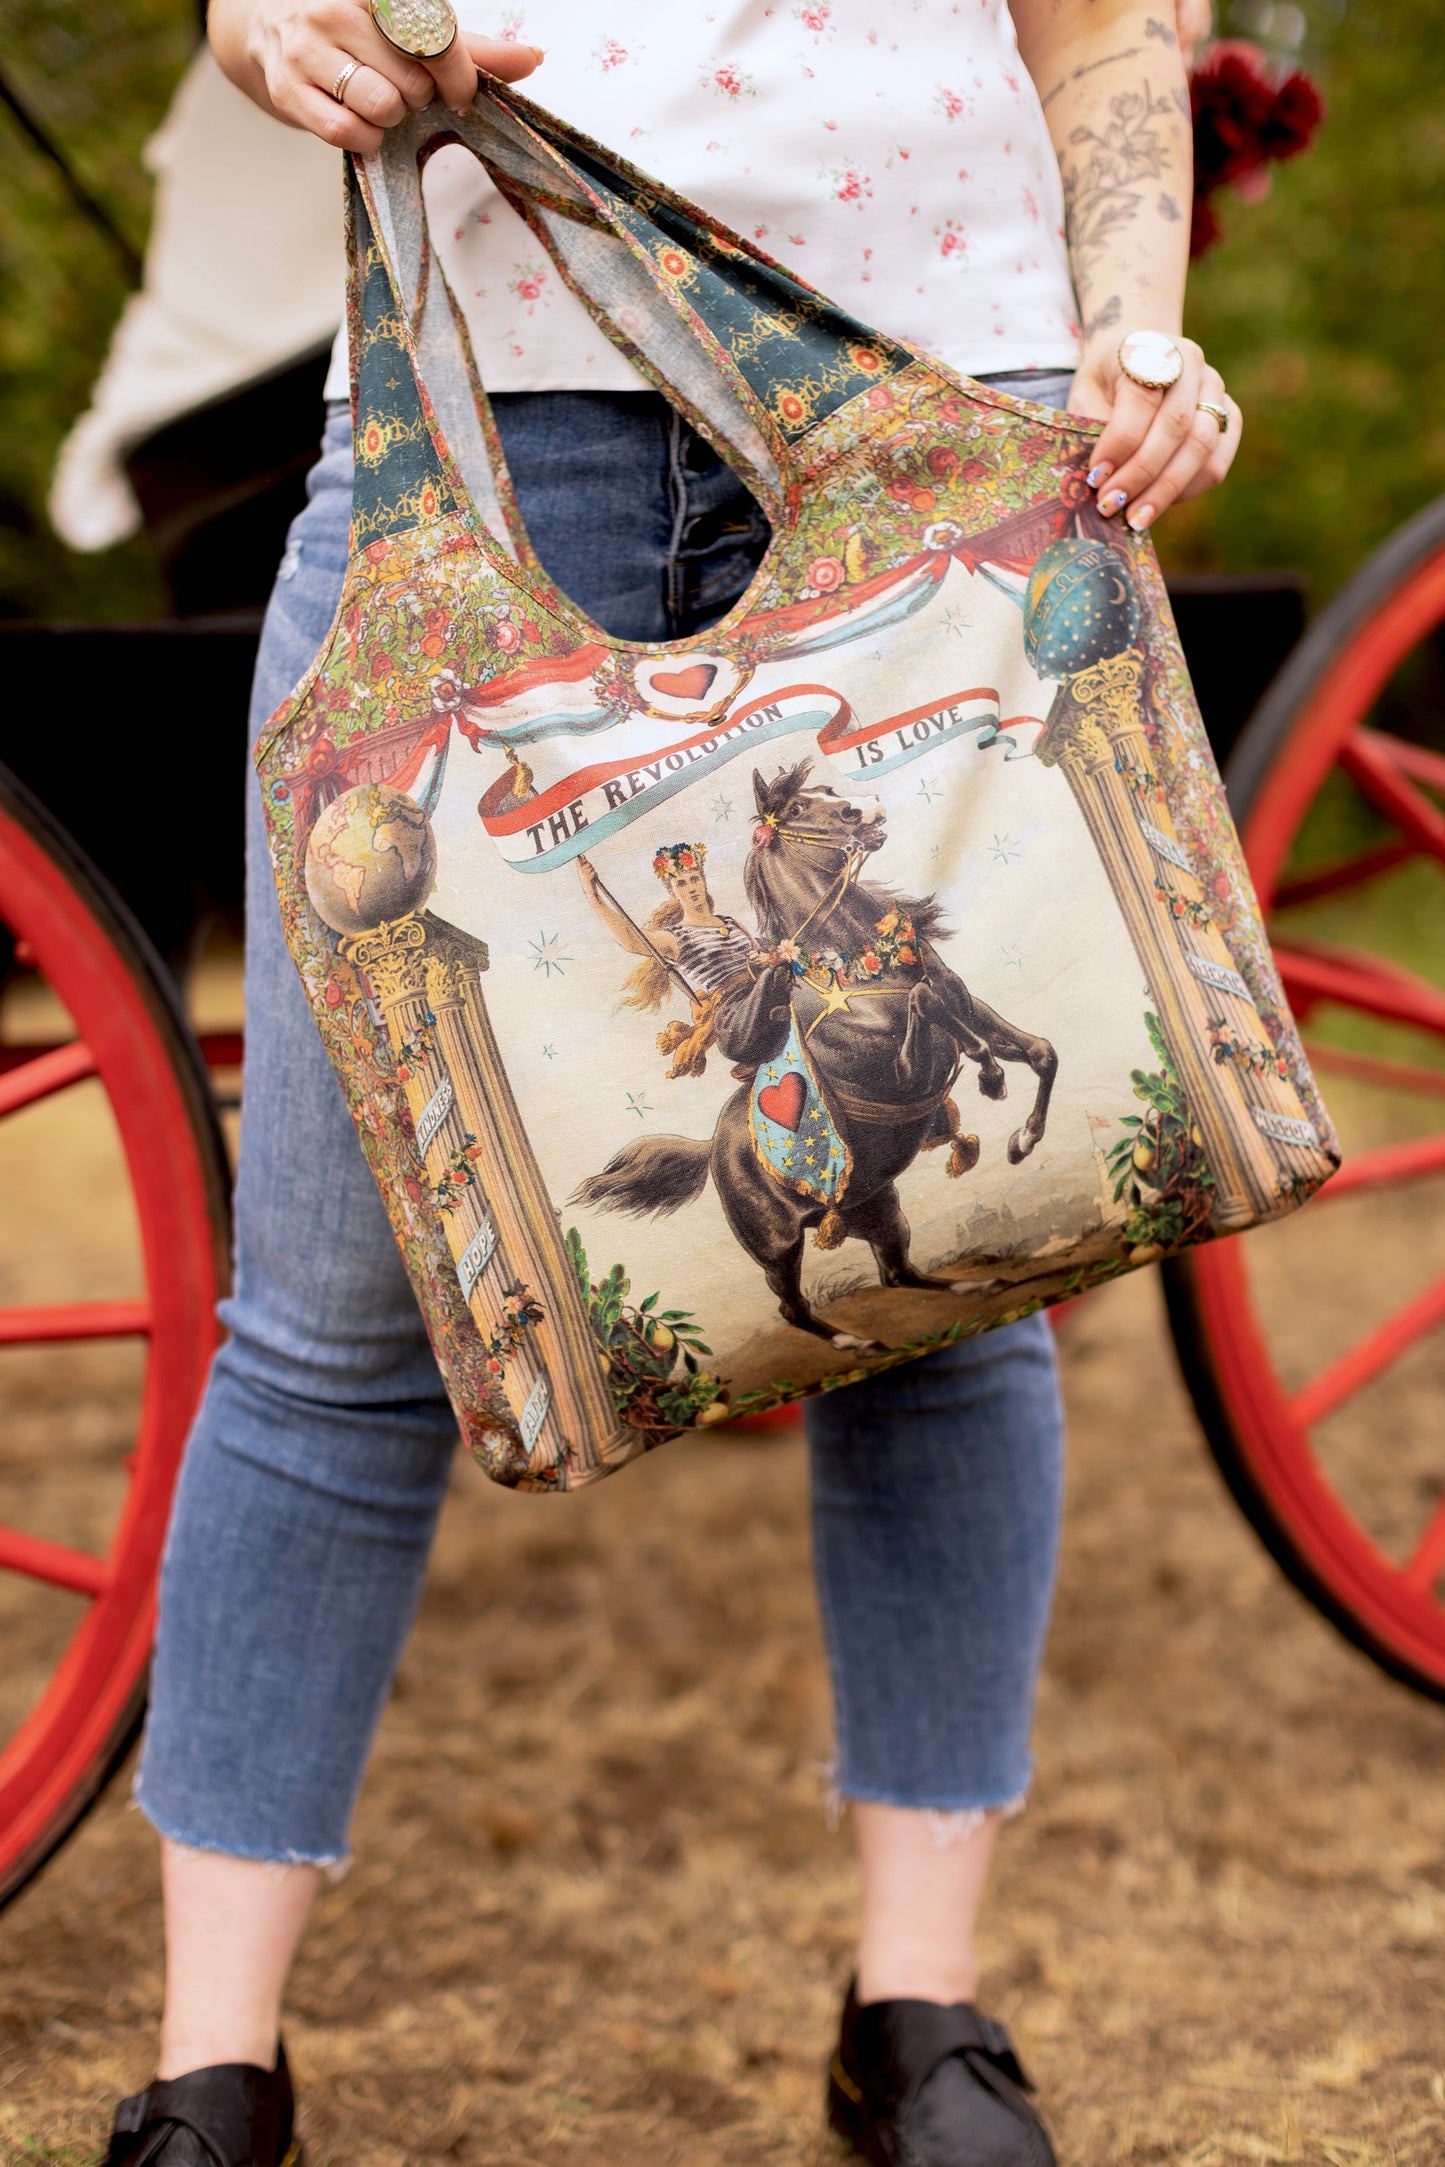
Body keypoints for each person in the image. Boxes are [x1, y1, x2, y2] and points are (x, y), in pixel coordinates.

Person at [102, 3, 1239, 2162]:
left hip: (940, 389)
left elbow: (1101, 23)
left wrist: (1139, 331)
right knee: (338, 1314)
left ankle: (923, 2024)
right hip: (475, 391)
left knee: (960, 1283)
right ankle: (209, 2075)